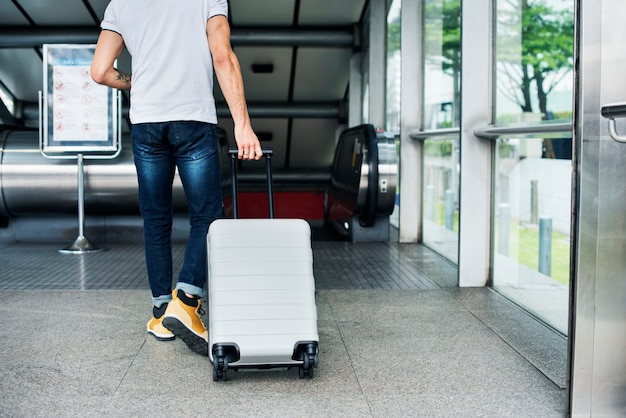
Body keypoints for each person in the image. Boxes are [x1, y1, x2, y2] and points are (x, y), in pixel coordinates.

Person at [91, 0, 262, 356]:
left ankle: (160, 312)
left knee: (156, 218)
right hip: (192, 119)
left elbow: (100, 71)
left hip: (147, 122)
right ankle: (185, 301)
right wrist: (243, 125)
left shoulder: (121, 3)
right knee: (206, 213)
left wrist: (140, 83)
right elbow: (222, 56)